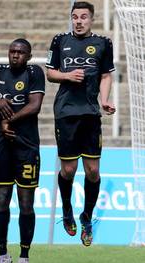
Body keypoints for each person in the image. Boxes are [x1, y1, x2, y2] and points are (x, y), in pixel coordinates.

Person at [46, 1, 116, 247]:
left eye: (83, 17)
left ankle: (86, 217)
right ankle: (66, 209)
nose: (78, 21)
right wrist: (67, 75)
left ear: (91, 19)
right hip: (65, 113)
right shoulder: (60, 40)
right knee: (68, 171)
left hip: (90, 113)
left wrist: (105, 99)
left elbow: (106, 74)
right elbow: (49, 72)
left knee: (93, 171)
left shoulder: (103, 43)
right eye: (75, 17)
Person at [0, 39, 45, 263]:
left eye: (21, 52)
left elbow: (35, 105)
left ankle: (24, 255)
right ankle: (3, 254)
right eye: (12, 51)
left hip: (27, 146)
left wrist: (8, 121)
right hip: (2, 147)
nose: (15, 55)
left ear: (29, 56)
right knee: (1, 199)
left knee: (26, 202)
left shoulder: (35, 72)